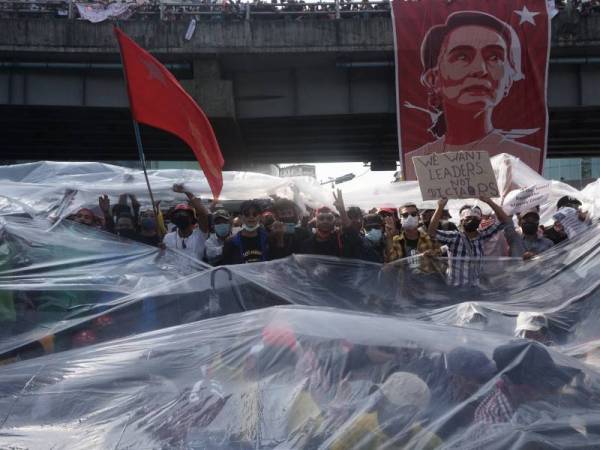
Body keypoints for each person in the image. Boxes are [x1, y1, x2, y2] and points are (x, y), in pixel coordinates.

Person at [403, 11, 541, 180]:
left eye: (494, 57)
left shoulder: (525, 159)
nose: (480, 70)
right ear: (434, 78)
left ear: (508, 81)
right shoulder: (415, 161)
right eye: (462, 57)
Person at [474, 341, 578, 425]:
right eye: (536, 385)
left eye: (547, 382)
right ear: (505, 386)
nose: (544, 390)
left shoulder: (548, 399)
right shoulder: (493, 417)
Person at [428, 196, 511, 287]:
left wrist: (489, 201)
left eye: (474, 218)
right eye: (468, 218)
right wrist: (440, 207)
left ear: (480, 220)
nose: (471, 220)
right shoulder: (454, 237)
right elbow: (432, 232)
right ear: (461, 220)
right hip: (456, 289)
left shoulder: (483, 235)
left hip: (476, 289)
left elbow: (505, 221)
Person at [299, 190, 363, 259]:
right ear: (316, 221)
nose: (325, 221)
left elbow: (356, 239)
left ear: (334, 221)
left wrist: (342, 212)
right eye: (321, 218)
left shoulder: (341, 240)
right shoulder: (307, 244)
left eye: (329, 218)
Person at [162, 184, 210, 262]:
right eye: (178, 215)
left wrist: (187, 192)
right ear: (174, 220)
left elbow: (203, 213)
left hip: (198, 274)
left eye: (184, 214)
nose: (181, 217)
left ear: (192, 218)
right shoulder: (168, 238)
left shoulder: (199, 235)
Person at [388, 203, 439, 271]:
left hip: (426, 280)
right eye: (405, 215)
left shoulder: (429, 238)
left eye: (413, 214)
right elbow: (390, 263)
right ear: (400, 220)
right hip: (405, 281)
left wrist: (433, 254)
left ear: (418, 217)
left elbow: (440, 256)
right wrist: (389, 237)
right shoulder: (395, 241)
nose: (410, 217)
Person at [222, 200, 269, 264]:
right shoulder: (231, 242)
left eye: (255, 214)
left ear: (260, 217)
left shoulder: (268, 239)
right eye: (247, 214)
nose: (251, 217)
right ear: (241, 217)